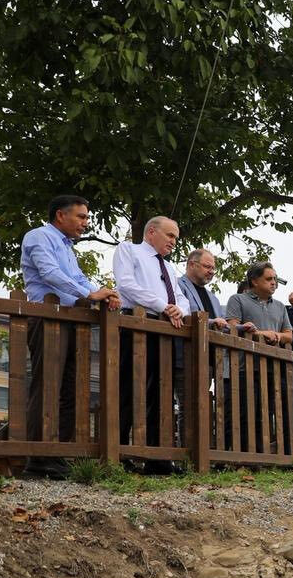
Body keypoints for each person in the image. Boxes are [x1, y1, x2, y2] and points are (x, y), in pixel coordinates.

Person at [20, 194, 121, 476]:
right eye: (81, 217)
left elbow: (78, 280)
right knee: (47, 385)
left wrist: (102, 295)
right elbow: (49, 273)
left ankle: (60, 454)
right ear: (60, 215)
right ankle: (38, 457)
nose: (86, 223)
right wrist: (89, 294)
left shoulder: (67, 246)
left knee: (69, 387)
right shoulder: (39, 236)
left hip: (71, 318)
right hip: (47, 316)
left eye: (87, 217)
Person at [113, 216, 191, 455]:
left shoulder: (169, 267)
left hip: (163, 329)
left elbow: (182, 298)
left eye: (176, 238)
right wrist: (162, 305)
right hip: (134, 324)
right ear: (151, 232)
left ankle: (158, 456)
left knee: (160, 392)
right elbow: (125, 284)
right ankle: (121, 451)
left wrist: (179, 309)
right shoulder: (129, 250)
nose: (174, 242)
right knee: (127, 388)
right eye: (170, 235)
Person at [223, 261, 292, 451]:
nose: (274, 283)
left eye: (275, 279)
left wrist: (276, 335)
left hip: (272, 368)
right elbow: (231, 327)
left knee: (266, 412)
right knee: (244, 412)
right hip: (245, 366)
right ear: (254, 281)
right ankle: (240, 455)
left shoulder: (280, 306)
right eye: (269, 279)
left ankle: (260, 455)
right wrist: (262, 334)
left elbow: (288, 334)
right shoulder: (237, 300)